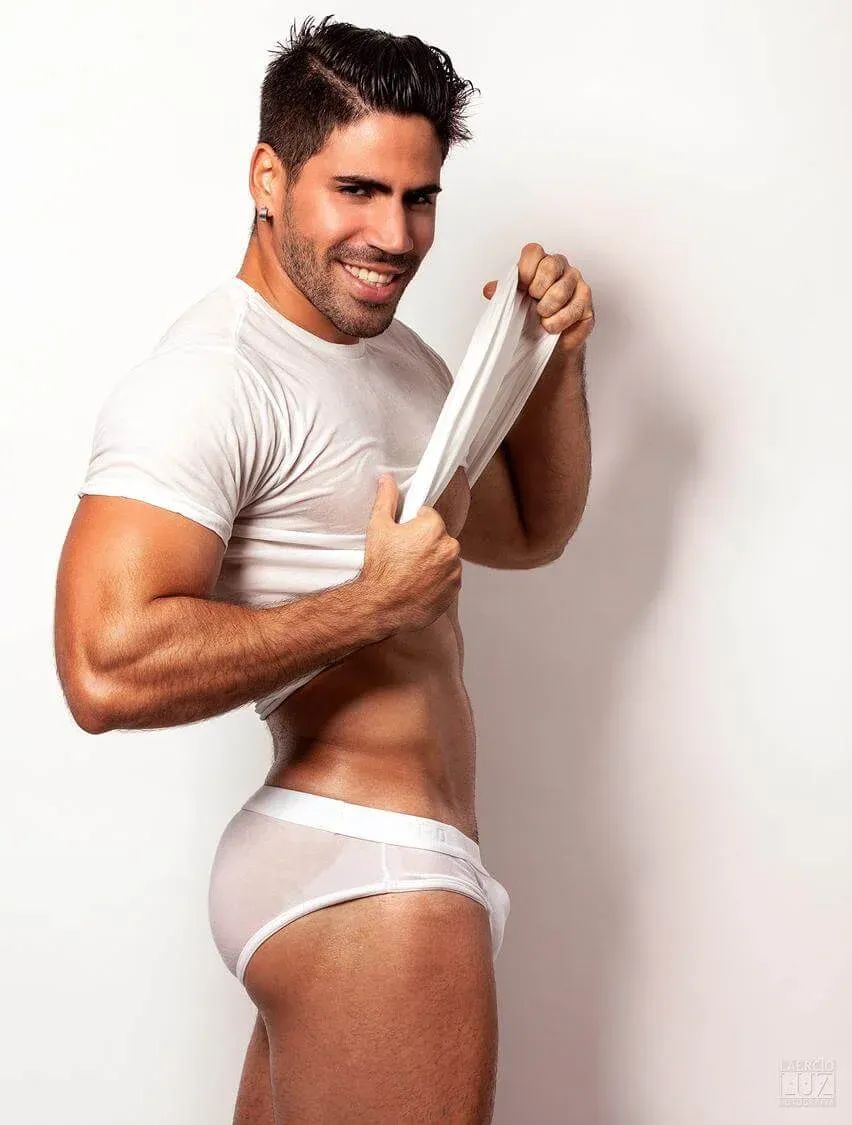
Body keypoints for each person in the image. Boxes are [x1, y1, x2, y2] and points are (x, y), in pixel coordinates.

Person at [54, 14, 593, 1123]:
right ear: (269, 176)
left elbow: (529, 530)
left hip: (371, 863)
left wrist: (555, 360)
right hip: (369, 867)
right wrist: (368, 605)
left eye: (419, 197)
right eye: (357, 190)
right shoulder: (212, 377)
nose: (394, 235)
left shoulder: (398, 356)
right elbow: (103, 668)